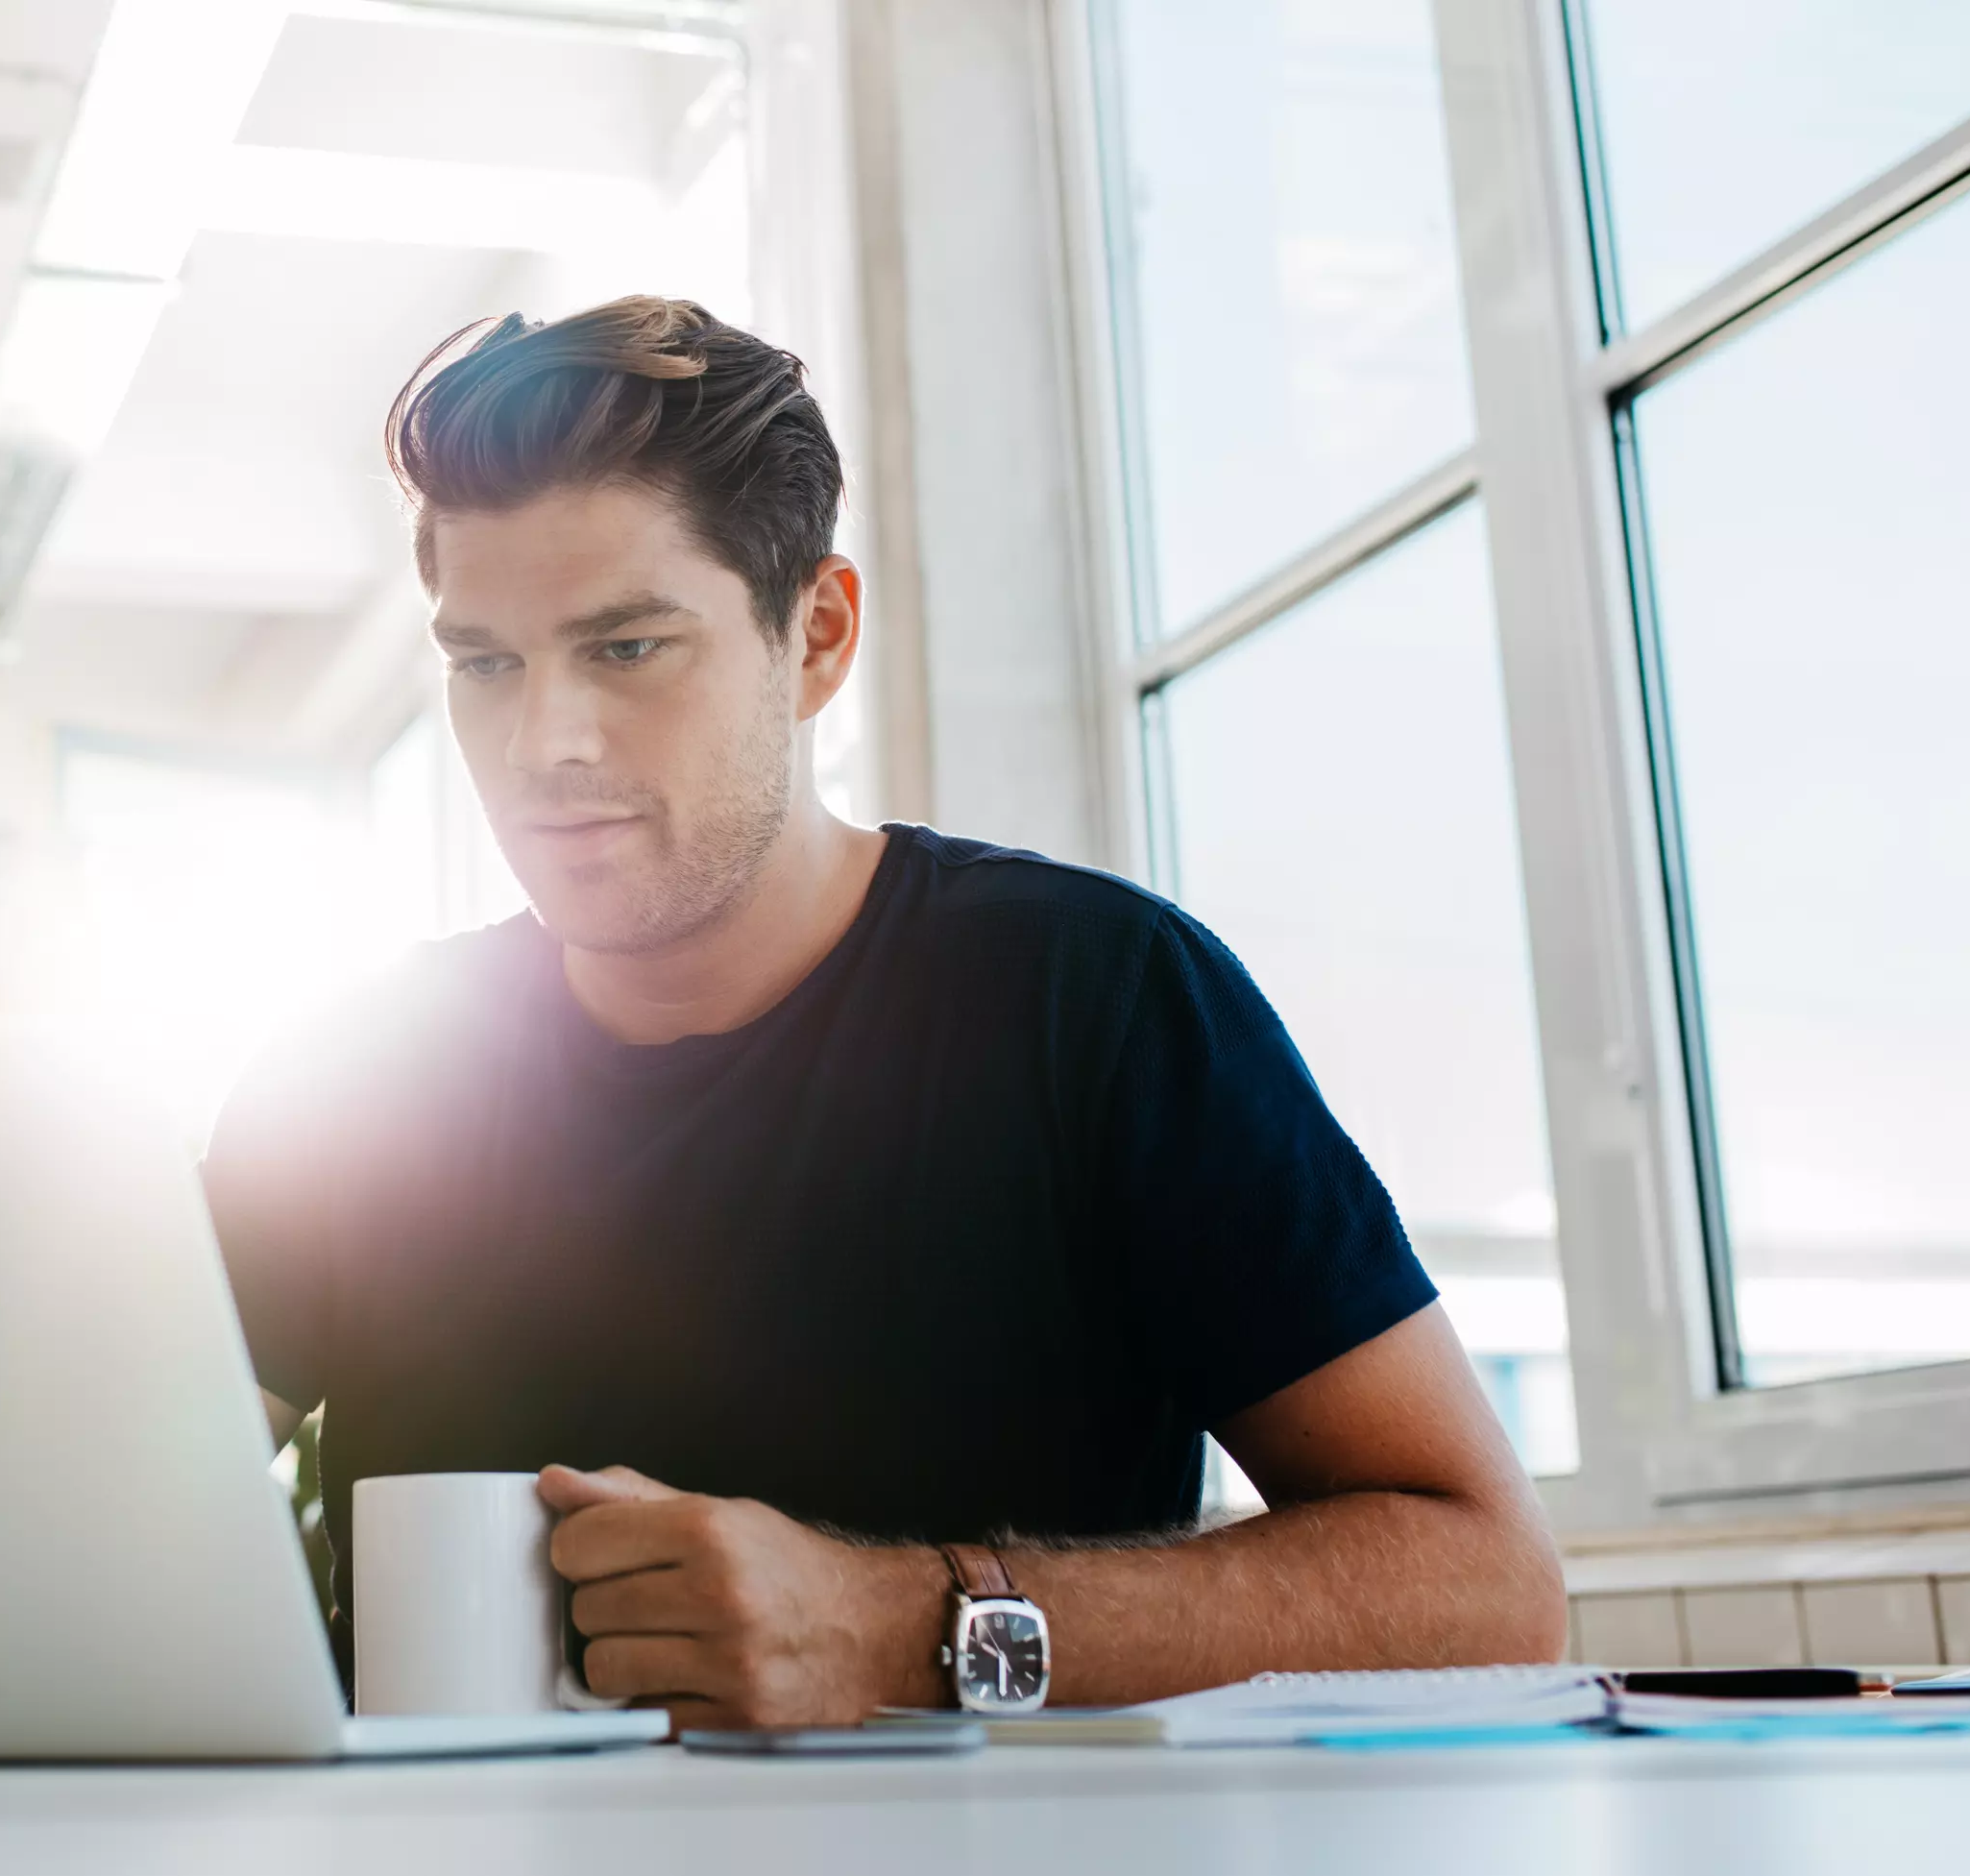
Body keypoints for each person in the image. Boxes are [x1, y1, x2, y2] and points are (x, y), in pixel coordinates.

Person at [201, 298, 1565, 1731]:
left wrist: (901, 1624)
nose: (545, 743)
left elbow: (1490, 1587)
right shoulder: (350, 1080)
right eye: (486, 664)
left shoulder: (1093, 1000)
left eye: (627, 648)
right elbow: (80, 1541)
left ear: (819, 637)